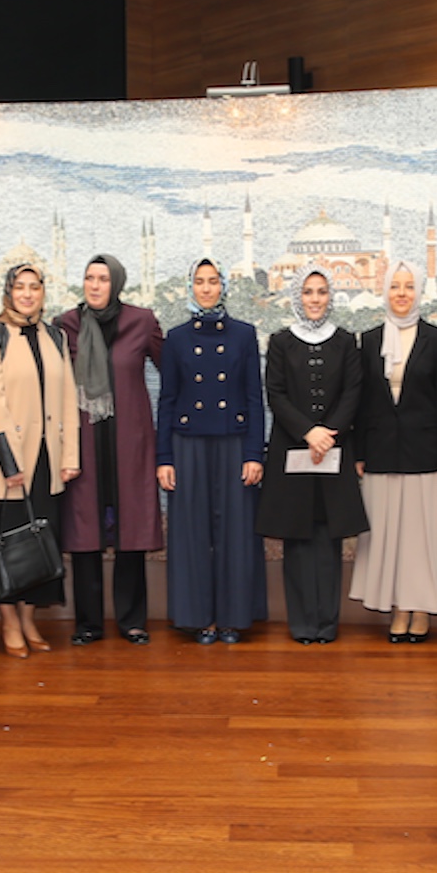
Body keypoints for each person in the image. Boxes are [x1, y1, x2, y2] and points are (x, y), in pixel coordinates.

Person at [0, 263, 81, 659]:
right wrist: (9, 463)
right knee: (6, 547)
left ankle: (30, 619)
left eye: (35, 287)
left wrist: (69, 456)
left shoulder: (55, 336)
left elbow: (68, 398)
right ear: (9, 292)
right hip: (5, 467)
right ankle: (9, 621)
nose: (28, 294)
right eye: (20, 287)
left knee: (37, 546)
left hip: (45, 463)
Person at [350, 258, 437, 642]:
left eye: (409, 286)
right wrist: (359, 453)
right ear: (385, 291)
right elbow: (363, 402)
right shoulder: (369, 340)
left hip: (425, 453)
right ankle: (398, 608)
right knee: (386, 536)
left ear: (419, 292)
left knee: (420, 537)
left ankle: (421, 609)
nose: (402, 294)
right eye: (395, 286)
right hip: (380, 452)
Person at [55, 254, 164, 646]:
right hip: (84, 444)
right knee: (85, 535)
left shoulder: (142, 322)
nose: (95, 285)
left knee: (131, 534)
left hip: (130, 444)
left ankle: (132, 620)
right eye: (89, 278)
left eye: (103, 278)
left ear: (116, 282)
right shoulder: (66, 325)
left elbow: (173, 371)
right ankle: (88, 623)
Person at [156, 258, 266, 644]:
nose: (206, 288)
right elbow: (167, 401)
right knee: (191, 534)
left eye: (213, 281)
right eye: (200, 282)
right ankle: (199, 618)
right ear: (191, 287)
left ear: (223, 286)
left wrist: (254, 453)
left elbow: (254, 399)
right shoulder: (176, 338)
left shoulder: (244, 334)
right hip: (188, 444)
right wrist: (164, 458)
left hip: (234, 442)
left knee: (236, 533)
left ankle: (233, 618)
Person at [258, 265, 367, 644]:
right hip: (293, 449)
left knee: (328, 540)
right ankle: (302, 625)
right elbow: (276, 394)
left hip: (334, 450)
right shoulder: (281, 342)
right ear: (297, 296)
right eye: (308, 292)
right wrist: (309, 431)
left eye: (322, 291)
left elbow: (353, 392)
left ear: (330, 296)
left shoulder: (346, 342)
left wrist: (328, 432)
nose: (315, 299)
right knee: (298, 539)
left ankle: (326, 624)